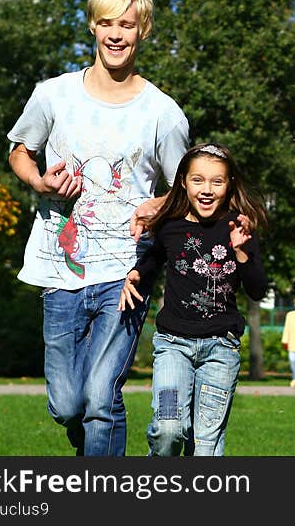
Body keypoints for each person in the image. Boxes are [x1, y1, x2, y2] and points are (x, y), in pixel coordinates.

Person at [6, 0, 190, 456]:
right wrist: (39, 181)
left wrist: (159, 204)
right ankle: (90, 442)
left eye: (126, 25)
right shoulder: (53, 94)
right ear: (92, 25)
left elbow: (182, 191)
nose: (115, 33)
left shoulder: (163, 113)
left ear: (142, 30)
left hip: (125, 271)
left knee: (100, 398)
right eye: (107, 22)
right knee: (69, 404)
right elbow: (20, 152)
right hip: (60, 264)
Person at [119, 142, 268, 456]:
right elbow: (152, 260)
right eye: (198, 180)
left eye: (217, 181)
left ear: (229, 185)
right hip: (174, 347)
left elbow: (257, 290)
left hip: (221, 351)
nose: (207, 189)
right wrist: (136, 273)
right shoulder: (170, 227)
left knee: (205, 448)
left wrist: (241, 251)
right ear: (183, 182)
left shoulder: (239, 228)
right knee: (168, 428)